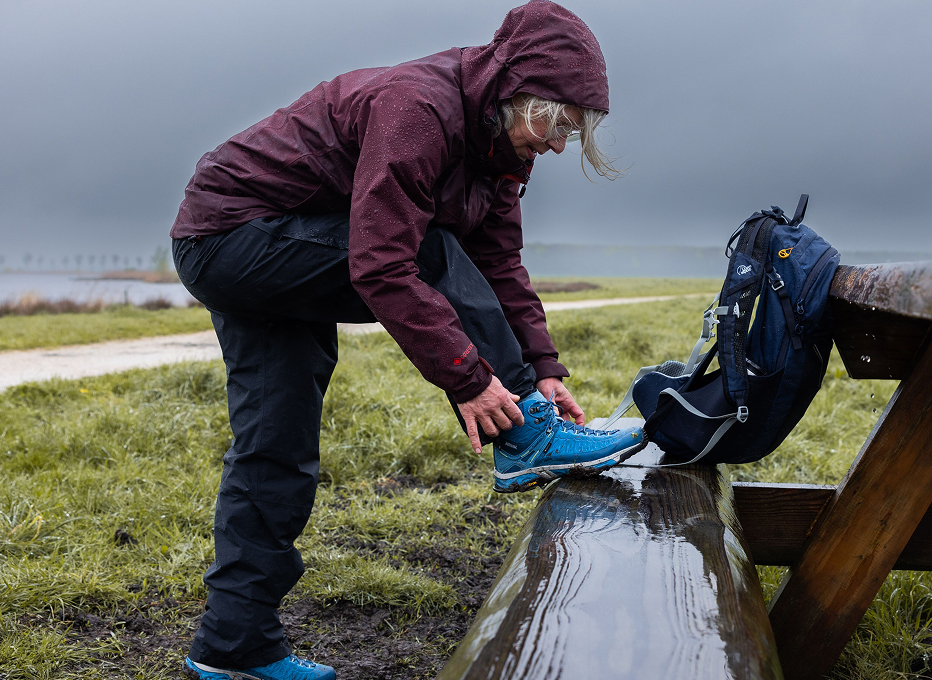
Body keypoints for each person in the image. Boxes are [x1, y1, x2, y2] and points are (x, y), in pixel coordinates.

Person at [171, 2, 645, 678]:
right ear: (520, 89)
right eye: (559, 125)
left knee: (277, 444)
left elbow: (499, 264)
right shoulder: (419, 109)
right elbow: (383, 263)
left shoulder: (502, 145)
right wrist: (472, 379)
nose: (561, 145)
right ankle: (524, 439)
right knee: (428, 250)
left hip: (288, 242)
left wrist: (542, 366)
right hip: (231, 235)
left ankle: (231, 643)